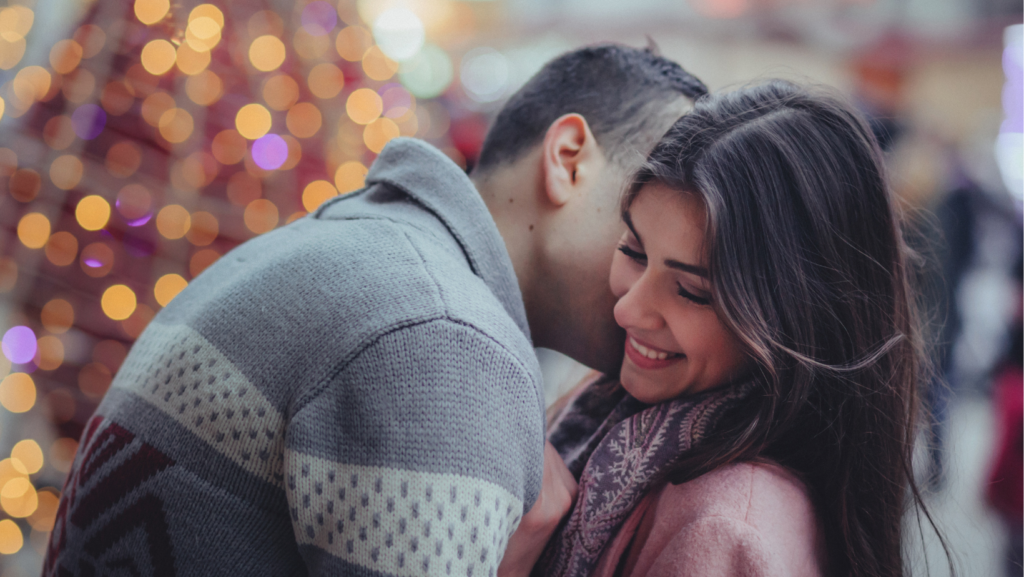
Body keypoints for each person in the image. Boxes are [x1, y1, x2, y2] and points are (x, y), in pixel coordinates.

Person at [43, 44, 707, 576]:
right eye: (644, 218)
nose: (666, 271)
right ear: (567, 159)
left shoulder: (360, 246)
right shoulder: (443, 335)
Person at [518, 80, 951, 577]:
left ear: (795, 317)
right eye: (634, 252)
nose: (629, 311)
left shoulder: (723, 529)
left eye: (692, 292)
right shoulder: (621, 410)